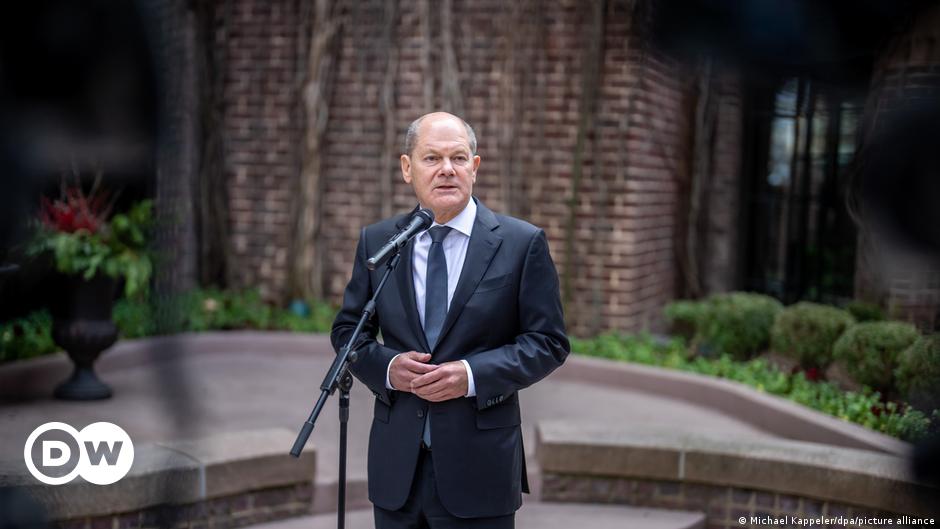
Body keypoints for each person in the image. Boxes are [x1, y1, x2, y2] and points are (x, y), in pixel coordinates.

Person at [332, 111, 569, 529]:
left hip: (480, 469)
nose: (447, 170)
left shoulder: (520, 243)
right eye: (431, 158)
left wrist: (470, 374)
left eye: (459, 158)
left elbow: (547, 342)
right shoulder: (379, 241)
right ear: (407, 169)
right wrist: (388, 369)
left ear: (474, 169)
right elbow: (349, 331)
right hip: (396, 470)